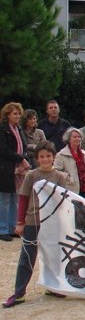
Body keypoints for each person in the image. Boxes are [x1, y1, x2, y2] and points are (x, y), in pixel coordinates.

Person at [3, 141, 69, 307]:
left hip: (52, 224)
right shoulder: (31, 176)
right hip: (33, 222)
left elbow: (63, 202)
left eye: (48, 156)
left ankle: (52, 286)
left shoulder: (59, 177)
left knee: (53, 257)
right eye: (42, 157)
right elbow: (23, 199)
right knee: (27, 257)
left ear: (54, 157)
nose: (45, 159)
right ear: (37, 159)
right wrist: (20, 222)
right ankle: (19, 292)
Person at [0, 102, 30, 242]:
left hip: (18, 169)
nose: (17, 116)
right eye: (14, 113)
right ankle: (2, 229)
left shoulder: (18, 129)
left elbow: (23, 146)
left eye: (18, 113)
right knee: (4, 200)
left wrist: (23, 158)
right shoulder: (3, 129)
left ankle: (13, 228)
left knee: (15, 199)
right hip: (6, 168)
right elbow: (4, 150)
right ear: (7, 115)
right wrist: (20, 158)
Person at [54, 127, 85, 196]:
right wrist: (68, 177)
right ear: (68, 139)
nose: (77, 139)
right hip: (70, 189)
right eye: (74, 137)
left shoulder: (83, 153)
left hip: (84, 188)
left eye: (79, 137)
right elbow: (55, 171)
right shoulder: (61, 154)